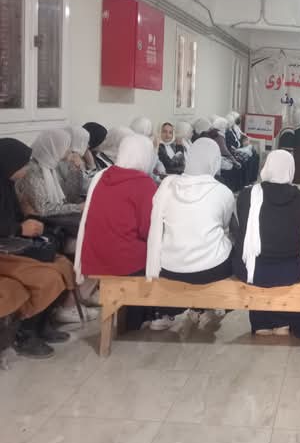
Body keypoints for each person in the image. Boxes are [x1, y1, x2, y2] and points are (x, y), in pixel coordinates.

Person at [74, 135, 166, 330]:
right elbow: (147, 230)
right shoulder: (143, 183)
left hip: (94, 254)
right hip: (122, 258)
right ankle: (149, 316)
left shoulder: (102, 176)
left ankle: (136, 316)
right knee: (164, 255)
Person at [146, 138, 234, 336]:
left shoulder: (167, 186)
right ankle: (211, 307)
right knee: (232, 250)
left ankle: (179, 310)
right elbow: (225, 226)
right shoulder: (223, 192)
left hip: (169, 268)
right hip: (211, 270)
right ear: (214, 161)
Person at [0, 138, 73, 358]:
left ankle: (42, 325)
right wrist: (19, 228)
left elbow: (14, 216)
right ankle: (25, 334)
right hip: (4, 252)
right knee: (46, 277)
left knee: (63, 264)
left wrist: (30, 223)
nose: (26, 170)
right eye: (22, 165)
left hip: (12, 245)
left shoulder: (7, 184)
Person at [232, 150, 300, 339]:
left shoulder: (248, 195)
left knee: (256, 258)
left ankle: (261, 323)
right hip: (289, 271)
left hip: (251, 270)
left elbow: (244, 231)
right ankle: (283, 321)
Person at [16, 129, 85, 217]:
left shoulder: (52, 166)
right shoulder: (32, 171)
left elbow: (69, 197)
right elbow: (43, 210)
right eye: (66, 146)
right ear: (54, 148)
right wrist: (78, 208)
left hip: (54, 217)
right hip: (39, 221)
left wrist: (74, 170)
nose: (69, 151)